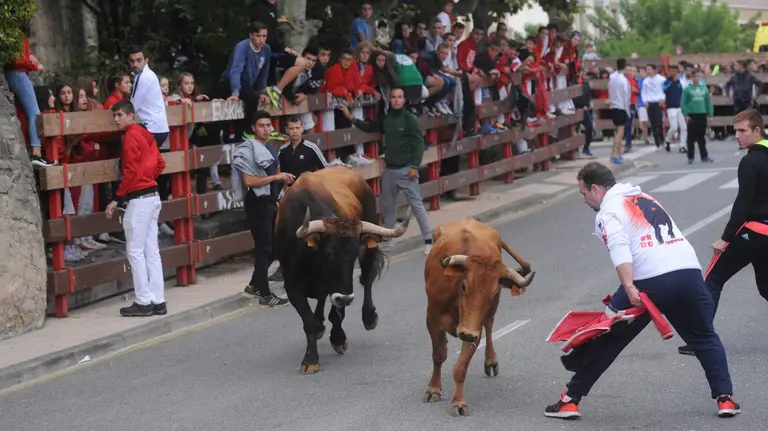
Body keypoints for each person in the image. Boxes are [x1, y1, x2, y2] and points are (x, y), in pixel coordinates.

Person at [545, 161, 740, 419]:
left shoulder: (608, 212)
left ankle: (570, 400)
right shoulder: (643, 197)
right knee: (704, 337)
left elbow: (620, 248)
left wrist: (628, 287)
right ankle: (725, 399)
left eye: (583, 193)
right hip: (688, 273)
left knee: (609, 338)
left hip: (649, 281)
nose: (584, 200)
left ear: (595, 189)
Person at [678, 109, 768, 356]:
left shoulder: (750, 161)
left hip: (752, 231)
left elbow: (742, 206)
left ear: (757, 131)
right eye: (735, 130)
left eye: (742, 131)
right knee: (765, 287)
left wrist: (725, 239)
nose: (737, 135)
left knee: (714, 279)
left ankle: (701, 340)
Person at [338, 87, 433, 254]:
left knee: (416, 204)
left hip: (407, 170)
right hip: (389, 170)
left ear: (404, 100)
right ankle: (388, 240)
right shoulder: (387, 119)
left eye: (399, 97)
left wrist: (414, 166)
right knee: (388, 206)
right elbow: (369, 126)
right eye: (393, 97)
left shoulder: (410, 119)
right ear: (390, 99)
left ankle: (428, 240)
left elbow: (419, 144)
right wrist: (350, 118)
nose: (396, 100)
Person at [105, 100, 167, 317]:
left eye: (120, 115)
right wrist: (147, 177)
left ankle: (143, 301)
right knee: (152, 251)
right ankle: (158, 300)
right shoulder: (146, 134)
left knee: (135, 251)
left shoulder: (130, 136)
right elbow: (160, 164)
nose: (116, 120)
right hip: (153, 196)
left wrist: (116, 198)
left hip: (139, 199)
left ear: (131, 115)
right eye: (114, 116)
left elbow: (130, 171)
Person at [231, 110, 292, 307]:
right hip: (257, 202)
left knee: (273, 248)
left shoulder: (270, 148)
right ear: (253, 128)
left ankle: (254, 286)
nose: (265, 129)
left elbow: (276, 172)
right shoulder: (247, 149)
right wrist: (276, 177)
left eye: (268, 125)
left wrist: (279, 188)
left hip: (271, 201)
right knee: (263, 248)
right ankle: (265, 295)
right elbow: (249, 181)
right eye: (261, 126)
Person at [681, 68, 714, 164]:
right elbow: (683, 103)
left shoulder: (704, 89)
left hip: (702, 113)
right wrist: (685, 114)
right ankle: (690, 157)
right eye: (694, 76)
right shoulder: (687, 89)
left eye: (697, 76)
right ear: (692, 77)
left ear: (700, 77)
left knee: (701, 136)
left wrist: (710, 114)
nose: (696, 78)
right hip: (692, 115)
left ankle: (704, 156)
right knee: (691, 137)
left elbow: (708, 102)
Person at [608, 58, 630, 164]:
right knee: (620, 133)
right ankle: (614, 154)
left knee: (616, 132)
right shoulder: (623, 80)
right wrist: (628, 111)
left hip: (613, 106)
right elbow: (626, 96)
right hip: (621, 107)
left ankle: (619, 154)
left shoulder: (612, 78)